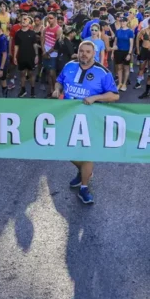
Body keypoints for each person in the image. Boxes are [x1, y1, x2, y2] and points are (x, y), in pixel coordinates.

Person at [52, 41, 120, 205]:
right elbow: (59, 80)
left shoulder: (102, 72)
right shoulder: (69, 66)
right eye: (81, 51)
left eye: (88, 52)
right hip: (67, 116)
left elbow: (114, 95)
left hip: (90, 119)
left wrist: (96, 97)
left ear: (94, 53)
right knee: (64, 149)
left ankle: (84, 188)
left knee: (87, 153)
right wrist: (57, 89)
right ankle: (83, 171)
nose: (84, 54)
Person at [13, 14, 40, 98]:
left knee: (31, 73)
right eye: (22, 19)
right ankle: (23, 89)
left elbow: (35, 44)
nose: (23, 21)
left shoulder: (32, 33)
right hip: (21, 56)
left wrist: (36, 55)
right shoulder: (17, 33)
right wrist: (14, 56)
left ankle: (32, 90)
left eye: (25, 19)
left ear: (29, 22)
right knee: (22, 73)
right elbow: (16, 45)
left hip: (31, 56)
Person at [41, 13, 62, 97]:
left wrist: (47, 53)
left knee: (52, 73)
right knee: (48, 73)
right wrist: (43, 51)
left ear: (55, 18)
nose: (49, 20)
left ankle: (55, 90)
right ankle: (51, 90)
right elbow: (42, 41)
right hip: (45, 53)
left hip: (53, 55)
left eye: (51, 18)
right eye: (48, 18)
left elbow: (57, 45)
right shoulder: (45, 29)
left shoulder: (58, 29)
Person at [113, 16, 135, 91]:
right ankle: (119, 83)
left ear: (127, 22)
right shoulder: (118, 31)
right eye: (121, 21)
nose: (122, 23)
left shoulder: (130, 31)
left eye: (124, 21)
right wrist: (112, 52)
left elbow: (131, 44)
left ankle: (124, 83)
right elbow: (115, 42)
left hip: (126, 52)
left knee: (126, 68)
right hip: (118, 51)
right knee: (119, 67)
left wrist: (129, 54)